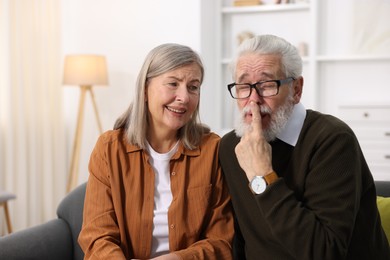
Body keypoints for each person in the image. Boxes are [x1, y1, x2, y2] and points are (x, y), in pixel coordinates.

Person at [219, 34, 390, 259]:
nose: (253, 99)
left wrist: (261, 175)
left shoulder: (333, 139)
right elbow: (241, 241)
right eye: (243, 87)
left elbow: (326, 252)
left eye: (267, 85)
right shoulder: (231, 146)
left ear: (296, 89)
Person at [78, 43, 234, 260]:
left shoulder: (213, 150)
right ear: (145, 90)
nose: (184, 97)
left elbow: (222, 241)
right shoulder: (109, 148)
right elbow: (97, 235)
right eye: (173, 84)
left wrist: (177, 259)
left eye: (193, 87)